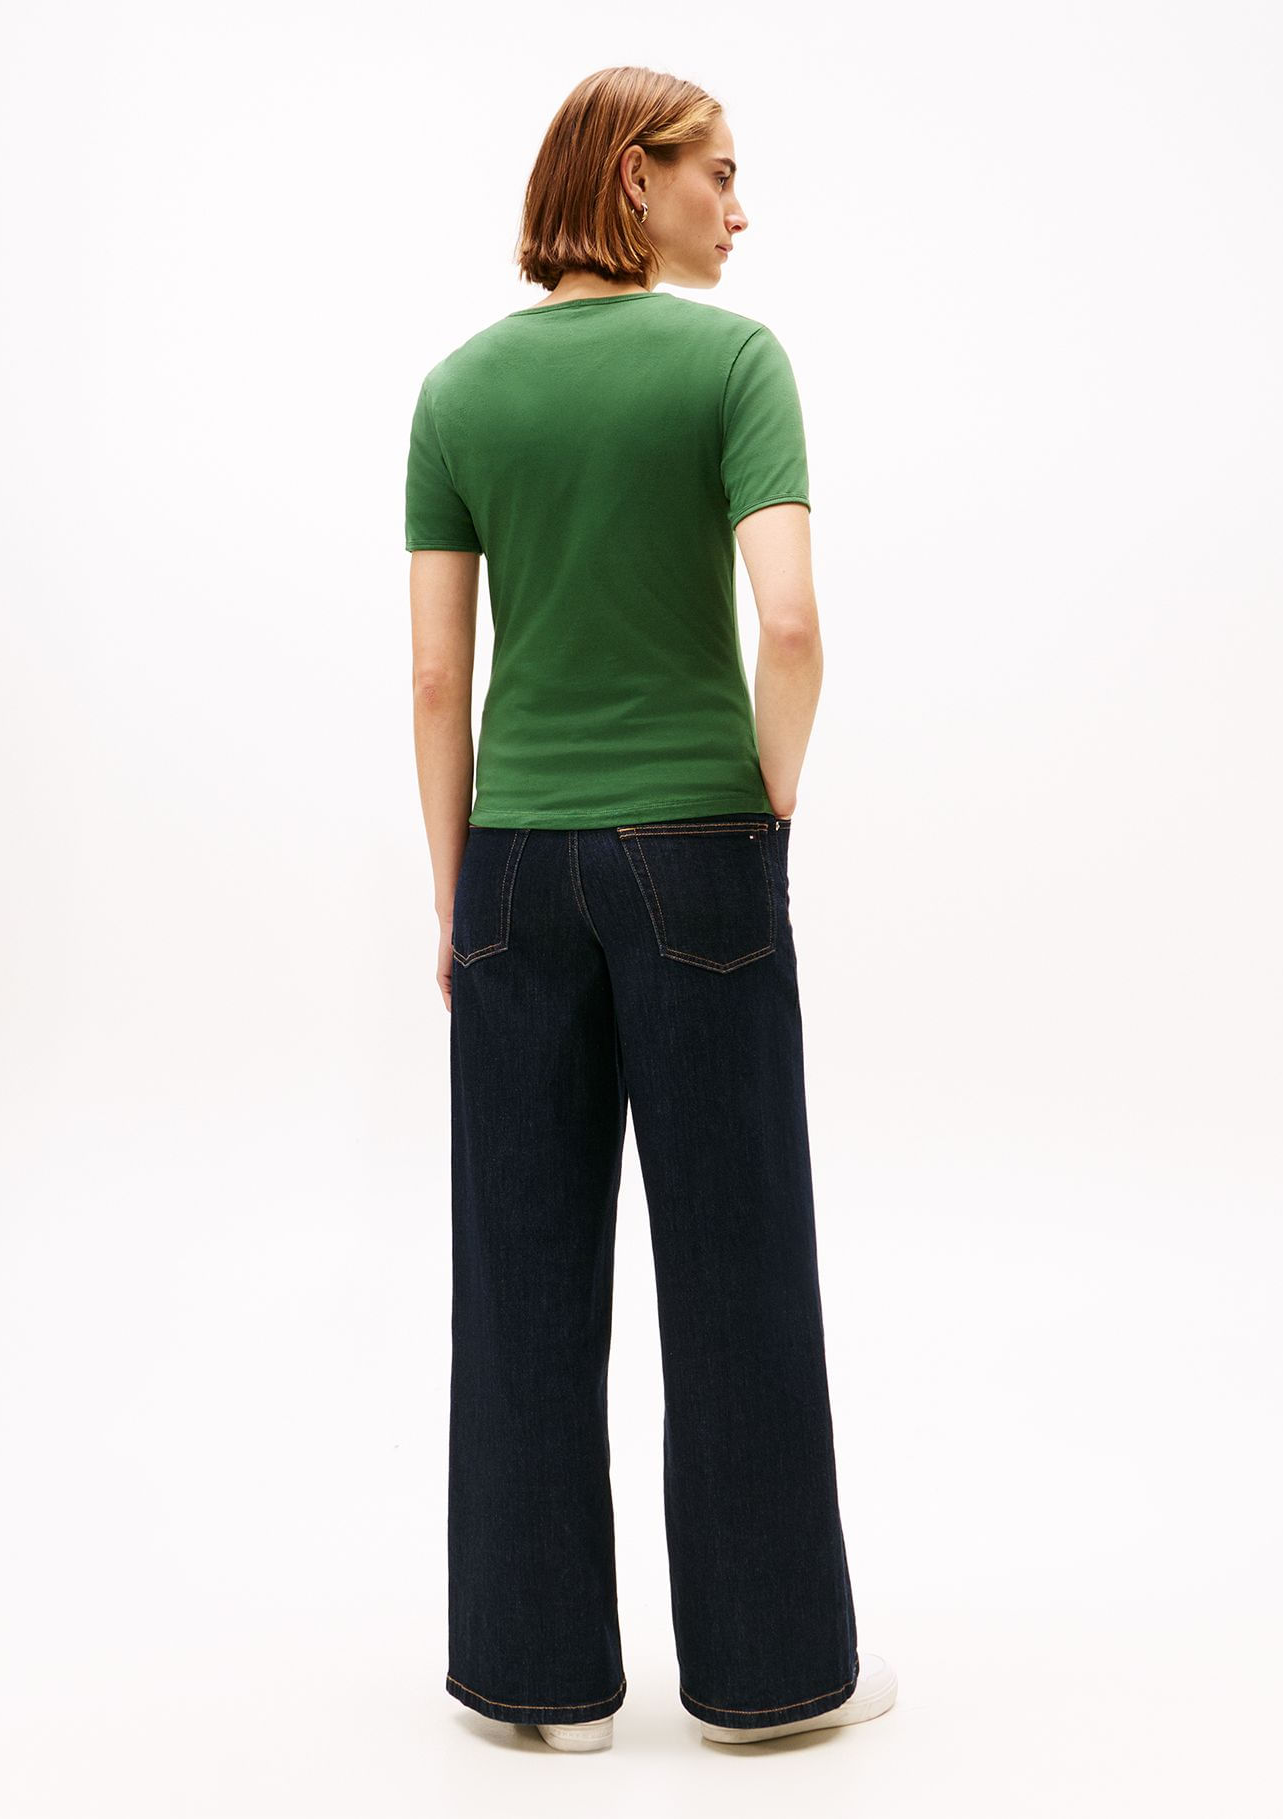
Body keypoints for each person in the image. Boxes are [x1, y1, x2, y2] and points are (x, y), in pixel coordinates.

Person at [405, 65, 898, 1752]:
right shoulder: (733, 364)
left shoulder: (457, 390)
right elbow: (794, 626)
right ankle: (769, 1681)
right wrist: (763, 809)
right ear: (635, 176)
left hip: (514, 861)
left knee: (522, 1273)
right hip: (697, 849)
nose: (741, 209)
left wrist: (457, 891)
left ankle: (536, 1684)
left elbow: (434, 680)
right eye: (719, 174)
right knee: (738, 1261)